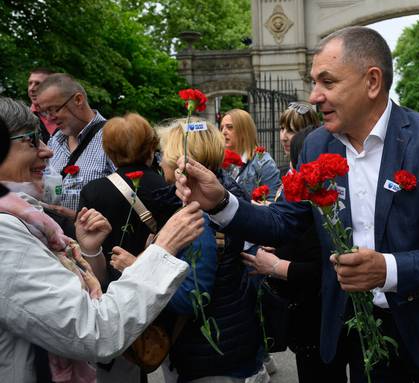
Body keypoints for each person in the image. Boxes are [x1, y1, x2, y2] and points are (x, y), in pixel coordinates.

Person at [176, 26, 419, 382]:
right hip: (364, 345)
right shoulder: (316, 145)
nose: (314, 96)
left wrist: (388, 270)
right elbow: (285, 222)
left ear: (372, 82)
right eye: (313, 82)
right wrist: (221, 201)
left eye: (327, 82)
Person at [0, 97, 206, 382]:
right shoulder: (6, 233)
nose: (47, 151)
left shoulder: (31, 218)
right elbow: (94, 330)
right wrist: (161, 250)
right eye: (33, 141)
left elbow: (73, 295)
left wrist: (89, 250)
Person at [158, 118, 264, 383]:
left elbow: (192, 299)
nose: (159, 161)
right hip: (230, 339)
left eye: (164, 154)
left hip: (211, 354)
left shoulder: (197, 214)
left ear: (179, 160)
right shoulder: (223, 194)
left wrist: (142, 271)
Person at [241, 126, 345, 382]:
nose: (283, 136)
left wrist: (276, 266)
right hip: (312, 317)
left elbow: (321, 266)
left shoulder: (319, 202)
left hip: (316, 316)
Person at [79, 113, 178, 283]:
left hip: (109, 284)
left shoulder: (92, 191)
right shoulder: (168, 188)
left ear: (109, 151)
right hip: (157, 283)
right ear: (151, 148)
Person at [36, 73, 115, 215]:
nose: (49, 118)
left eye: (53, 110)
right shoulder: (53, 142)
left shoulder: (113, 137)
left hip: (102, 235)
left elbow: (131, 197)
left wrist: (77, 219)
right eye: (44, 112)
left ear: (78, 100)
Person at [220, 108, 281, 201]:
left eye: (230, 127)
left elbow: (273, 203)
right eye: (221, 128)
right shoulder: (221, 162)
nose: (223, 132)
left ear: (245, 131)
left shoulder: (264, 163)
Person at [278, 101, 320, 174]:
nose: (283, 138)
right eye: (282, 128)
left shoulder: (320, 178)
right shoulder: (279, 174)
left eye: (291, 131)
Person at [27, 67, 57, 143]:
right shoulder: (22, 118)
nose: (31, 88)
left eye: (38, 84)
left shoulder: (69, 115)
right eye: (30, 83)